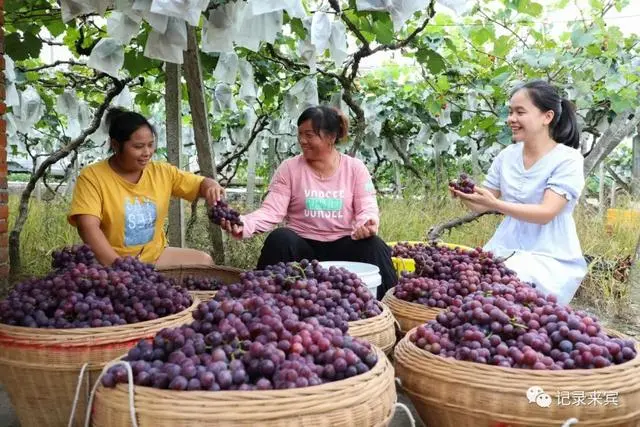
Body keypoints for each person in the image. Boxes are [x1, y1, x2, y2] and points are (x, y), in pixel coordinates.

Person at [220, 105, 396, 298]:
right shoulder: (289, 169)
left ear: (331, 137)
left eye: (310, 135)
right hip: (303, 250)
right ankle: (263, 302)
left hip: (344, 246)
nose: (303, 141)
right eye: (300, 134)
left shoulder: (355, 168)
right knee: (280, 238)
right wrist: (244, 223)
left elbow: (367, 206)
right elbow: (271, 211)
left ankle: (388, 307)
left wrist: (367, 223)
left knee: (374, 245)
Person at [450, 80, 587, 305]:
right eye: (510, 112)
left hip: (548, 254)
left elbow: (546, 213)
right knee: (471, 285)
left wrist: (496, 204)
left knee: (508, 292)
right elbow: (484, 202)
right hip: (506, 245)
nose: (511, 119)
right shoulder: (508, 156)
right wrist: (466, 196)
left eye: (520, 112)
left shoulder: (567, 159)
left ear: (547, 117)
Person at [67, 107, 225, 267]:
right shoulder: (93, 177)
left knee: (204, 262)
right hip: (107, 261)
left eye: (150, 145)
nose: (147, 152)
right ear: (115, 145)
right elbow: (87, 227)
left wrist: (211, 186)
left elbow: (200, 184)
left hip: (154, 257)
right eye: (138, 146)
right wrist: (118, 267)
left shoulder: (162, 172)